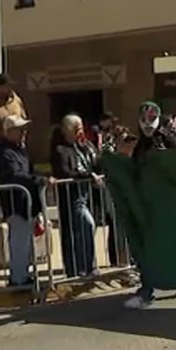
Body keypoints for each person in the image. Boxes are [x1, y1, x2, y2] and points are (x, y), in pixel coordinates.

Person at [124, 101, 176, 309]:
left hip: (169, 203)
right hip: (150, 206)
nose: (148, 124)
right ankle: (147, 291)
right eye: (144, 119)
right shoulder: (140, 146)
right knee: (148, 248)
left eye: (152, 119)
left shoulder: (168, 140)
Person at [0, 116, 50, 287]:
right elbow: (14, 175)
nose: (24, 133)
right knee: (18, 243)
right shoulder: (4, 153)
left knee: (25, 244)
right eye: (20, 129)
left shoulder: (21, 150)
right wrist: (39, 180)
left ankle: (23, 276)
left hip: (27, 204)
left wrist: (42, 177)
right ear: (9, 131)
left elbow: (30, 170)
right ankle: (18, 279)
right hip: (15, 204)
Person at [51, 114, 101, 278]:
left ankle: (88, 266)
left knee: (85, 231)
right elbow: (64, 172)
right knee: (87, 225)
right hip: (73, 197)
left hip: (86, 195)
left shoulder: (81, 147)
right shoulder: (60, 149)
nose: (81, 131)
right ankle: (79, 267)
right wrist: (86, 176)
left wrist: (90, 147)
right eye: (77, 128)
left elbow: (94, 163)